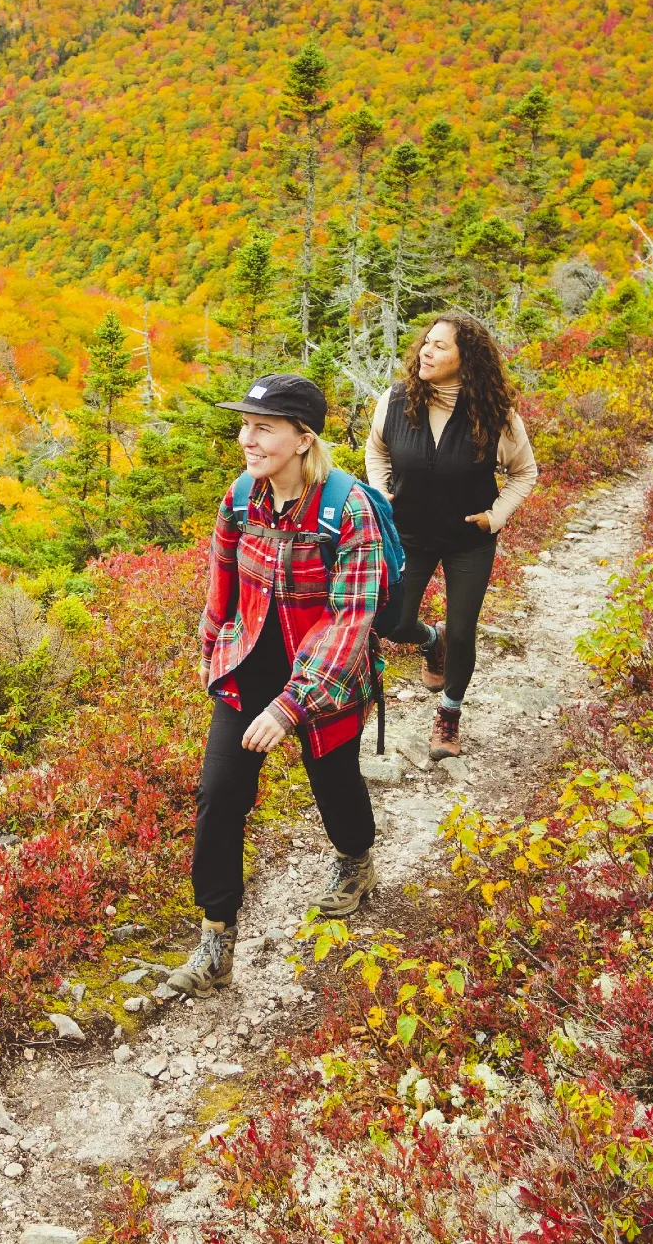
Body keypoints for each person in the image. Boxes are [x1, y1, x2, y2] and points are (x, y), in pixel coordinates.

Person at [160, 372, 388, 999]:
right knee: (218, 797)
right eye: (246, 426)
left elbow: (350, 620)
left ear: (302, 437)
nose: (248, 439)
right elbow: (222, 577)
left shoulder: (350, 509)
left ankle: (355, 860)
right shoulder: (241, 497)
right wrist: (213, 652)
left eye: (264, 428)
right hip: (250, 663)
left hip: (327, 675)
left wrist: (292, 706)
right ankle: (215, 943)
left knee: (334, 783)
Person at [367, 311, 538, 760]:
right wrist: (382, 490)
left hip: (468, 541)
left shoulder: (496, 415)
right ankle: (431, 642)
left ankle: (449, 714)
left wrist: (494, 516)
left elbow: (525, 473)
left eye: (441, 346)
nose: (427, 350)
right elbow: (377, 449)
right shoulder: (396, 400)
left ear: (467, 360)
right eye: (427, 342)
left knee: (463, 631)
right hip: (410, 534)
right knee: (393, 622)